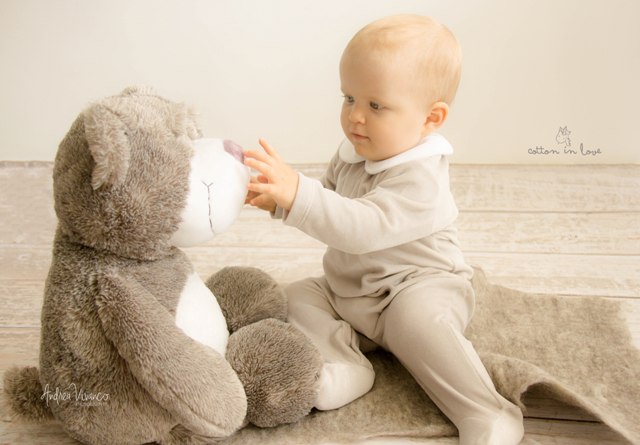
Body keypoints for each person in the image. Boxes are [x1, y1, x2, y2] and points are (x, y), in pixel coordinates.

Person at [243, 14, 525, 445]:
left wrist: (299, 193)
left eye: (376, 106)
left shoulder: (422, 178)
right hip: (352, 292)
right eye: (349, 98)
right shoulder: (353, 154)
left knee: (417, 322)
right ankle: (346, 364)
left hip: (417, 286)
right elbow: (332, 203)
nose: (355, 116)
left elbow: (361, 228)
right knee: (296, 297)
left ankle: (487, 411)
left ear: (431, 118)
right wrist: (281, 202)